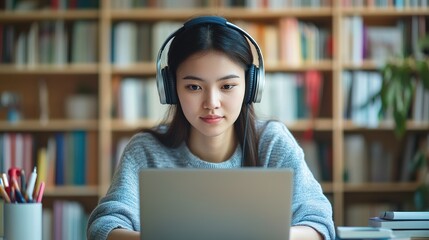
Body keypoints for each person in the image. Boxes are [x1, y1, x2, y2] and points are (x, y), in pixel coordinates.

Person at [87, 16, 335, 240]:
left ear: (250, 87)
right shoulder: (146, 150)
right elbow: (104, 227)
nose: (211, 104)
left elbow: (319, 223)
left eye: (227, 86)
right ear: (171, 90)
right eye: (194, 87)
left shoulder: (271, 142)